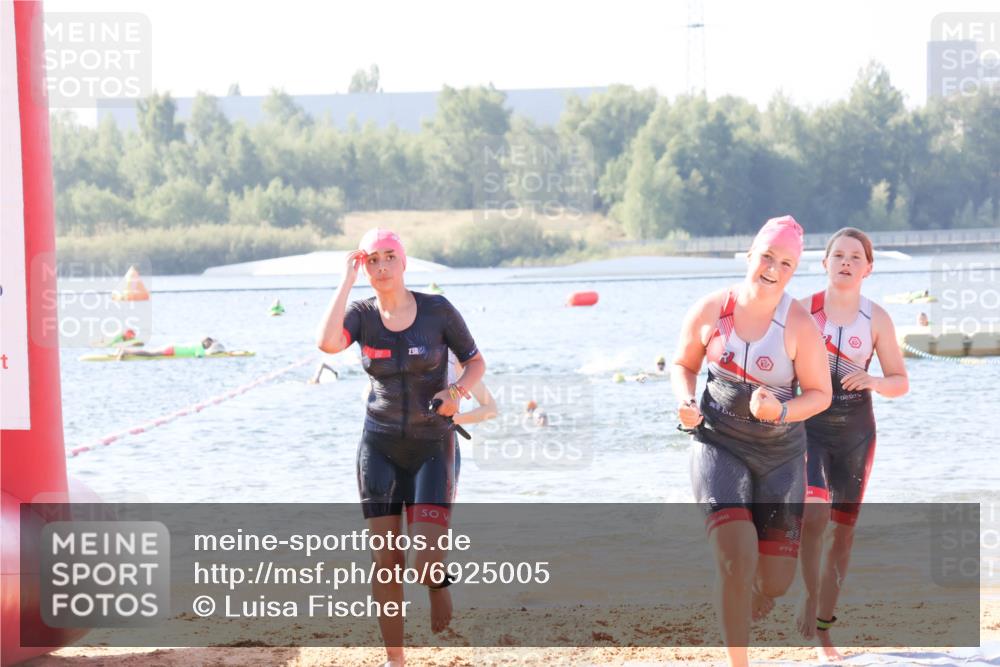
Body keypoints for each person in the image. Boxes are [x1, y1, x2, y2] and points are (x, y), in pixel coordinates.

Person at [315, 228, 485, 667]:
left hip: (434, 445)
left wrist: (458, 392)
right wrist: (346, 279)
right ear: (364, 265)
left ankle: (437, 583)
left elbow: (475, 362)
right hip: (380, 447)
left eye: (390, 256)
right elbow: (327, 343)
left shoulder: (437, 310)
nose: (382, 266)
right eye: (373, 259)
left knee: (427, 559)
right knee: (386, 560)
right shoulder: (361, 314)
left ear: (405, 261)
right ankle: (396, 660)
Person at [671, 215, 831, 667]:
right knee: (735, 557)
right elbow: (683, 363)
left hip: (780, 456)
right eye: (766, 257)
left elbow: (821, 395)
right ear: (750, 255)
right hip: (718, 442)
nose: (772, 269)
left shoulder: (798, 325)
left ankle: (756, 588)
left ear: (794, 270)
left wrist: (781, 410)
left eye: (785, 263)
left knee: (776, 582)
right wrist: (685, 400)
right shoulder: (712, 309)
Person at [796, 228, 909, 662]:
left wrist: (877, 381)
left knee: (843, 536)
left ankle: (824, 629)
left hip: (857, 432)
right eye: (837, 255)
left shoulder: (876, 318)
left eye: (854, 257)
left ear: (868, 268)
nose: (845, 262)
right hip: (810, 426)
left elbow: (901, 382)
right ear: (824, 263)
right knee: (814, 515)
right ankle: (809, 594)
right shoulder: (802, 312)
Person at [115, 336, 224, 360]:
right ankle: (126, 351)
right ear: (204, 342)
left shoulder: (197, 344)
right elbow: (200, 358)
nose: (209, 345)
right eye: (209, 343)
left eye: (210, 344)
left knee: (150, 352)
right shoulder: (200, 348)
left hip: (172, 347)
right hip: (172, 350)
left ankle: (126, 350)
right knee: (150, 354)